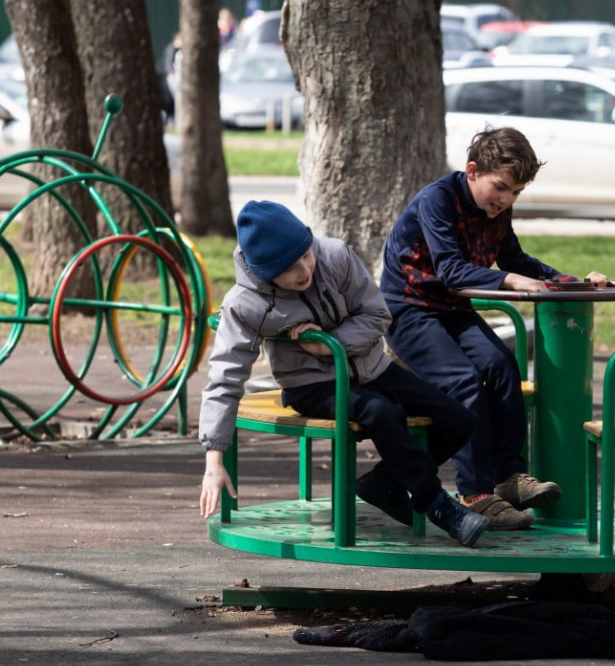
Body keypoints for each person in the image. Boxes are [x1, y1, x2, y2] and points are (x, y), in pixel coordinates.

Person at [197, 201, 489, 547]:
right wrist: (213, 458)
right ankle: (439, 506)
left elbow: (378, 314)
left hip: (370, 367)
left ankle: (384, 482)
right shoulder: (245, 303)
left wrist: (330, 342)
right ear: (264, 272)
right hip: (311, 385)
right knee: (381, 412)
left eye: (306, 255)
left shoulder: (334, 256)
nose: (305, 269)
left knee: (458, 418)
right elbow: (225, 378)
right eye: (290, 268)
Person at [379, 127, 607, 531]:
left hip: (452, 308)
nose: (506, 200)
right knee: (464, 382)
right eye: (500, 187)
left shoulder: (496, 211)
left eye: (516, 193)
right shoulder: (438, 200)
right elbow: (450, 269)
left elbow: (513, 258)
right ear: (471, 171)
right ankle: (476, 494)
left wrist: (570, 282)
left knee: (502, 366)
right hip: (409, 310)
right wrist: (509, 281)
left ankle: (509, 478)